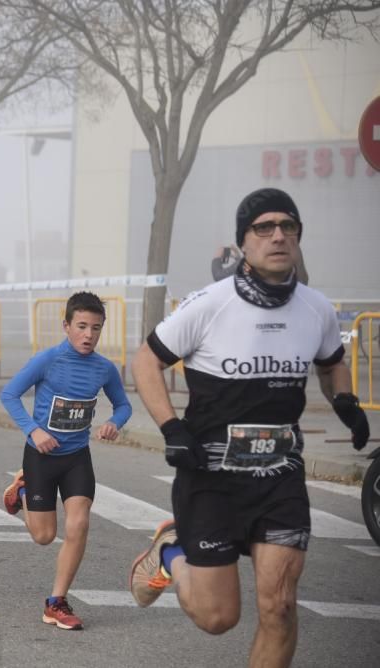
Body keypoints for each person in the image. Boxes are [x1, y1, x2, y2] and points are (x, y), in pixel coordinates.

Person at [129, 188, 371, 667]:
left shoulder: (317, 308)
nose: (278, 235)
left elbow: (330, 362)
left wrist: (345, 400)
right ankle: (170, 554)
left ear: (298, 237)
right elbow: (145, 361)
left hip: (280, 474)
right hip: (210, 477)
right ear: (244, 241)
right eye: (264, 227)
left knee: (279, 605)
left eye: (288, 226)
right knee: (217, 617)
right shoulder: (209, 304)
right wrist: (171, 428)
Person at [0, 291, 131, 631]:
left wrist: (115, 423)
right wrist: (33, 431)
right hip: (41, 457)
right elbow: (9, 394)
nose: (89, 335)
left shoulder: (104, 368)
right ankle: (24, 489)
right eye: (82, 326)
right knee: (43, 537)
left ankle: (56, 602)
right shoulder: (47, 360)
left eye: (96, 328)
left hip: (76, 458)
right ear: (67, 326)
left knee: (79, 524)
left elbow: (124, 405)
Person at [212, 243, 309, 284]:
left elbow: (219, 276)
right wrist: (239, 259)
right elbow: (303, 279)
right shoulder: (292, 243)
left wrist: (217, 257)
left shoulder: (254, 254)